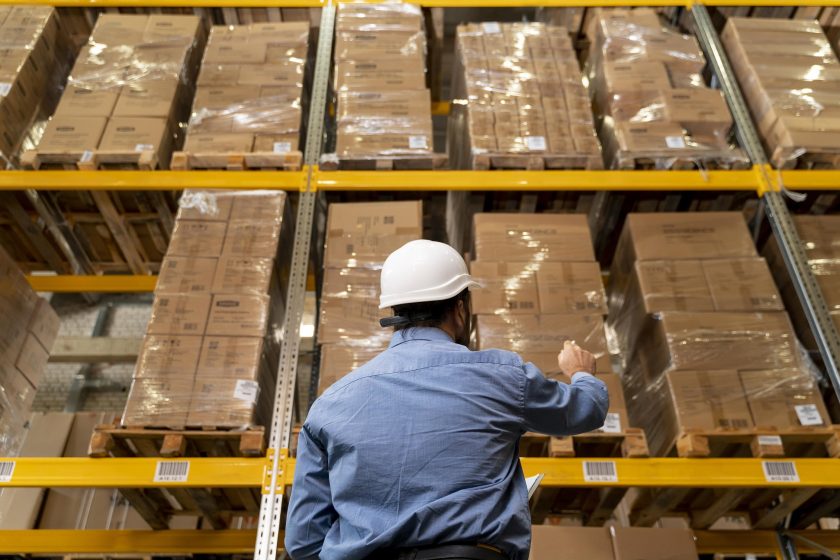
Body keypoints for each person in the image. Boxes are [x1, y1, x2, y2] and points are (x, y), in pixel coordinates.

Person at [285, 239, 609, 560]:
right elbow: (584, 410)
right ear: (459, 308)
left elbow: (304, 541)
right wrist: (582, 373)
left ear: (394, 311)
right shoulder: (501, 375)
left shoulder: (329, 406)